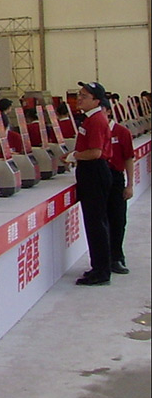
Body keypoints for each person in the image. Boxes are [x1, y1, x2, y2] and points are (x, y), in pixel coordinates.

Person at [71, 82, 114, 286]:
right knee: (94, 222)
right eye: (79, 94)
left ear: (96, 101)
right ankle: (98, 266)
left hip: (94, 171)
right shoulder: (89, 118)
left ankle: (101, 271)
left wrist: (74, 156)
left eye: (84, 96)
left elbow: (95, 152)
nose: (79, 99)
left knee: (96, 223)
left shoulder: (96, 120)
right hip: (90, 171)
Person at [105, 105, 135, 276]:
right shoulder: (90, 130)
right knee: (101, 221)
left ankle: (116, 256)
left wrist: (129, 185)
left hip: (116, 178)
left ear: (108, 111)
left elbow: (128, 158)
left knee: (118, 219)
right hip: (98, 178)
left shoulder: (122, 132)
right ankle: (104, 258)